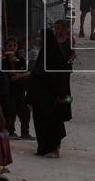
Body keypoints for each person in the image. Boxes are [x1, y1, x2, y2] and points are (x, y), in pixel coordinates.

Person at [29, 27, 69, 157]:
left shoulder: (56, 54)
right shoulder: (43, 53)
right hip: (40, 96)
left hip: (52, 96)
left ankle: (54, 149)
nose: (38, 39)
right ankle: (43, 148)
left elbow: (62, 76)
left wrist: (61, 95)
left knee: (53, 122)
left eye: (41, 37)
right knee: (40, 122)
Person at [2, 37, 32, 140]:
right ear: (5, 47)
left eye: (14, 45)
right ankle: (10, 131)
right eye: (10, 46)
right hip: (9, 90)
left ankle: (25, 132)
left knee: (25, 112)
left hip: (20, 89)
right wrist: (11, 62)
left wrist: (20, 76)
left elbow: (27, 73)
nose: (12, 48)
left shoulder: (21, 59)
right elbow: (12, 77)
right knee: (11, 111)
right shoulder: (3, 60)